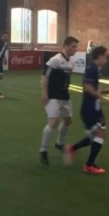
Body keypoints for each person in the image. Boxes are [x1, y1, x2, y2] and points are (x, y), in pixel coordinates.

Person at [64, 46, 109, 174]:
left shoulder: (94, 69)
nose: (107, 59)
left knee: (94, 136)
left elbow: (91, 87)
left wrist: (102, 92)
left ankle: (72, 148)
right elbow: (87, 87)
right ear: (99, 56)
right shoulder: (92, 69)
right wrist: (100, 96)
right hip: (90, 109)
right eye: (106, 56)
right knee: (100, 135)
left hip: (94, 109)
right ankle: (89, 165)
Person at [39, 36, 79, 166]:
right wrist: (44, 93)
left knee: (68, 121)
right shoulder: (55, 60)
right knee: (53, 122)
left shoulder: (71, 62)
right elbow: (45, 77)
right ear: (65, 46)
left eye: (76, 47)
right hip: (53, 96)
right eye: (73, 46)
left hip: (64, 96)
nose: (75, 49)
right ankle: (43, 150)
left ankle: (59, 143)